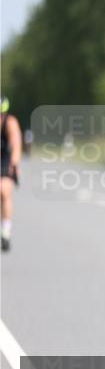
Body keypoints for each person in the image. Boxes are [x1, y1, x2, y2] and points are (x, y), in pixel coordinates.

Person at [1, 96, 23, 252]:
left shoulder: (10, 122)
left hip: (5, 160)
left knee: (3, 191)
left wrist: (14, 165)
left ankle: (6, 232)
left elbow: (16, 144)